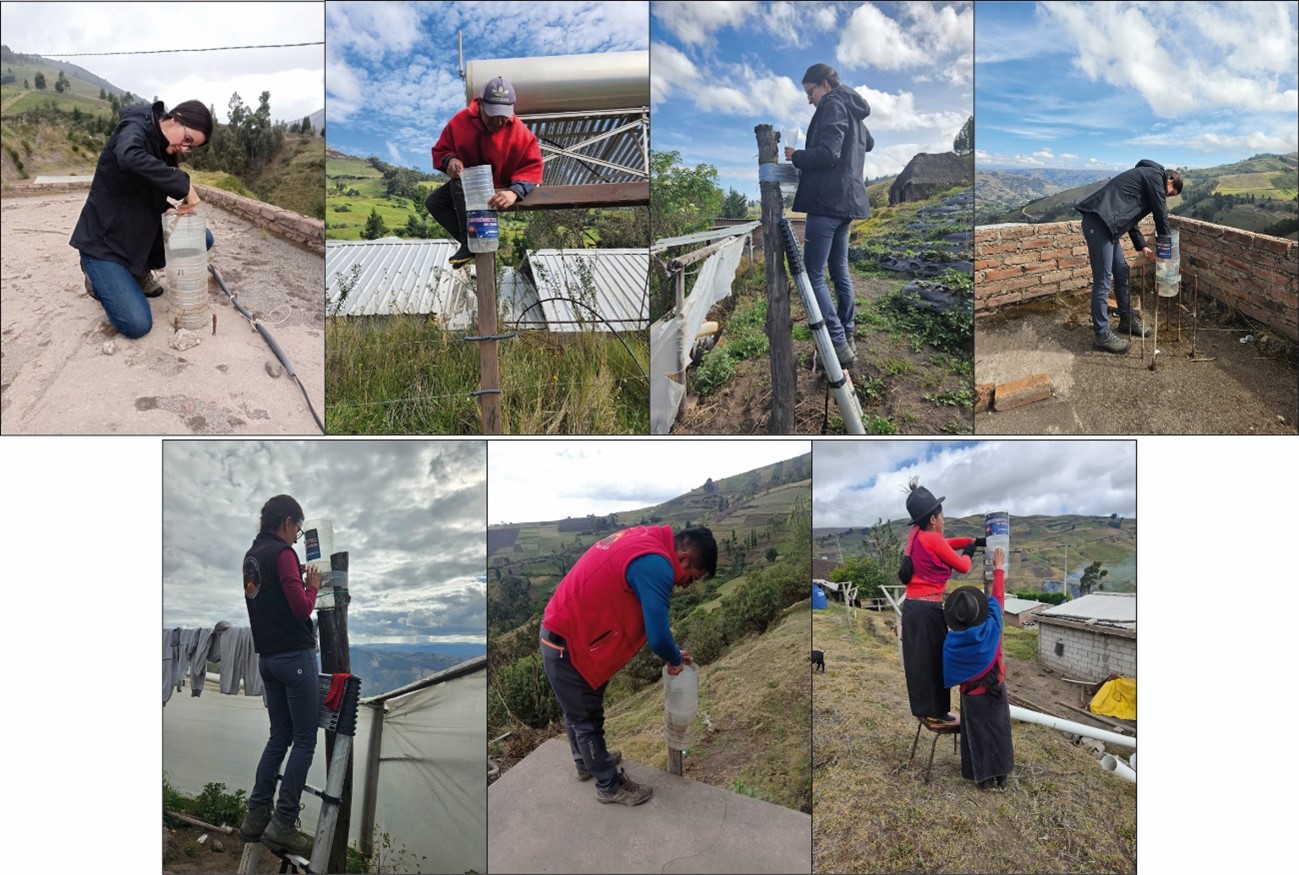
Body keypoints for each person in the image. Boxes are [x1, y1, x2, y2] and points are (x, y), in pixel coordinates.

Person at [540, 524, 717, 805]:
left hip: (568, 634)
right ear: (684, 557)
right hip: (568, 643)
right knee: (585, 718)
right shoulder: (656, 565)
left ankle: (587, 762)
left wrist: (673, 652)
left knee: (580, 711)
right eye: (692, 578)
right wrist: (672, 659)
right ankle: (608, 785)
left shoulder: (644, 539)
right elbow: (658, 637)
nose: (686, 585)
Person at [70, 99, 214, 339]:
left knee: (200, 236)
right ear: (176, 118)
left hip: (135, 232)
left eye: (192, 147)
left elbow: (140, 193)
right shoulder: (136, 125)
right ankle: (96, 277)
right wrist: (184, 184)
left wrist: (167, 208)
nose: (185, 148)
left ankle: (139, 270)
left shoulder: (164, 148)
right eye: (187, 139)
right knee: (137, 324)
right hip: (105, 244)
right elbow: (128, 156)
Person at [238, 495, 323, 858]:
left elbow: (269, 594)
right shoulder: (284, 554)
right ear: (287, 521)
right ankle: (283, 823)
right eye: (298, 530)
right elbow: (302, 606)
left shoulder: (252, 557)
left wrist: (296, 572)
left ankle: (256, 816)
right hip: (295, 657)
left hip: (268, 660)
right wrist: (314, 584)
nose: (296, 537)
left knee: (279, 737)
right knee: (304, 741)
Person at [784, 63, 874, 370]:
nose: (809, 100)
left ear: (825, 84)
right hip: (848, 203)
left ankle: (837, 342)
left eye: (810, 92)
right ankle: (847, 334)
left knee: (812, 273)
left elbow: (828, 153)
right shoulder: (853, 110)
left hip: (827, 201)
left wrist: (796, 156)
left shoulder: (834, 104)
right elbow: (869, 143)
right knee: (839, 270)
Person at [427, 76, 544, 267]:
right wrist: (451, 159)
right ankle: (470, 242)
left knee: (459, 183)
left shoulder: (521, 133)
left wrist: (514, 192)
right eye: (492, 115)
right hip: (469, 181)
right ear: (480, 105)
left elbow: (532, 167)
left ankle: (469, 243)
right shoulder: (460, 121)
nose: (498, 123)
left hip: (500, 186)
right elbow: (442, 150)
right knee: (434, 202)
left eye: (503, 117)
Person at [1074, 159, 1184, 354]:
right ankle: (1101, 334)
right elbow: (1161, 215)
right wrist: (1166, 253)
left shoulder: (1145, 180)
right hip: (1098, 224)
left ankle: (1126, 320)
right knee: (1103, 280)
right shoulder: (1154, 177)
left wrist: (1142, 246)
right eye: (1170, 193)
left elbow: (1130, 218)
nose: (1166, 197)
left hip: (1109, 227)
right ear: (1170, 181)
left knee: (1122, 271)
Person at [898, 478, 982, 725]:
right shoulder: (932, 539)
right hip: (928, 610)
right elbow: (963, 567)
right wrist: (970, 551)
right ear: (933, 519)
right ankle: (938, 710)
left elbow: (947, 544)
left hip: (912, 608)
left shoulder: (917, 537)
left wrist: (968, 540)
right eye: (942, 516)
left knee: (919, 661)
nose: (944, 520)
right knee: (936, 660)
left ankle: (924, 707)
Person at [943, 547, 1014, 789]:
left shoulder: (953, 642)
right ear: (980, 611)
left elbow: (948, 672)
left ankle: (982, 778)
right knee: (1000, 730)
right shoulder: (993, 624)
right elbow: (998, 598)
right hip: (997, 687)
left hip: (972, 696)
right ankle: (1002, 777)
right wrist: (998, 568)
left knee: (978, 734)